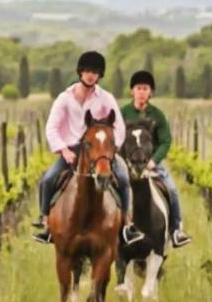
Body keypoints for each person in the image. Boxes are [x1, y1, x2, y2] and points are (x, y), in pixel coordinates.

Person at [33, 51, 144, 245]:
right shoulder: (64, 99)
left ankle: (127, 225)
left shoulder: (106, 98)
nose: (91, 75)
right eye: (87, 71)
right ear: (80, 72)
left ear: (99, 75)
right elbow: (52, 127)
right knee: (48, 179)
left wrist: (112, 150)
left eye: (95, 72)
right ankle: (45, 223)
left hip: (101, 152)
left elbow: (119, 126)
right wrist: (64, 150)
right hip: (72, 151)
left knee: (124, 179)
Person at [121, 70, 192, 248]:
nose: (142, 92)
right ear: (132, 91)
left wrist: (153, 161)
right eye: (138, 88)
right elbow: (117, 139)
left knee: (172, 190)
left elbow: (165, 141)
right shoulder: (123, 113)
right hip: (126, 165)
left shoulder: (158, 115)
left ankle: (176, 230)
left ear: (151, 92)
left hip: (151, 165)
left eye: (145, 88)